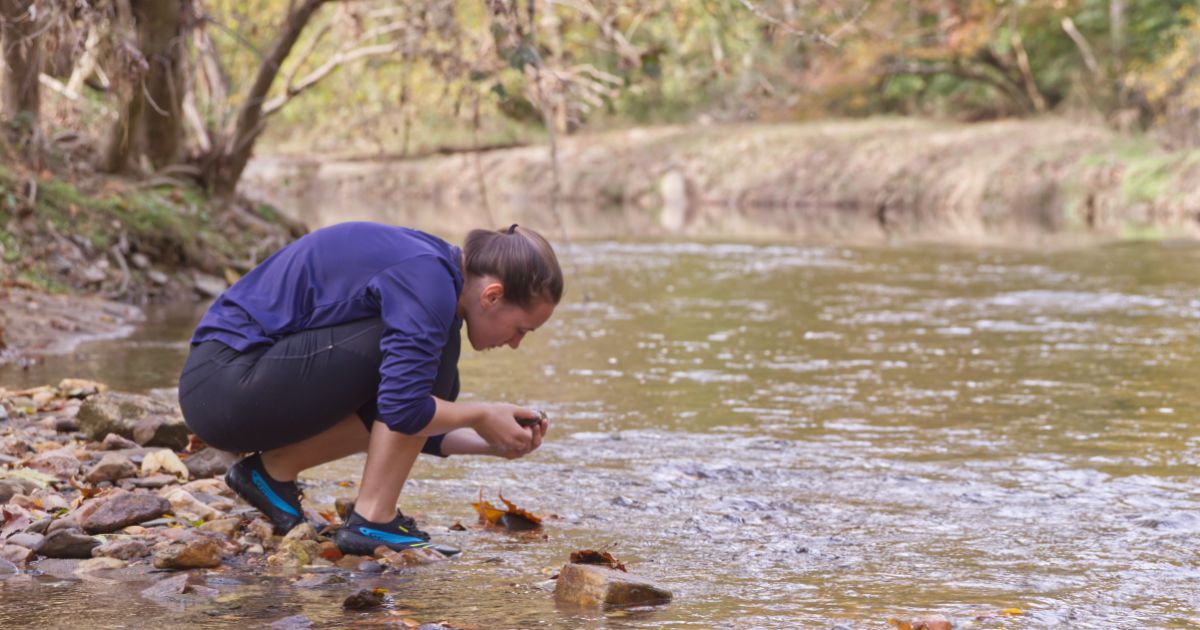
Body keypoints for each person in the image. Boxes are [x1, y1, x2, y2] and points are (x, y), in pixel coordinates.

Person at [177, 222, 562, 557]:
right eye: (521, 329)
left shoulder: (436, 274)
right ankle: (374, 519)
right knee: (428, 361)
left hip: (230, 391)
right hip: (225, 384)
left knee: (430, 374)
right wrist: (481, 414)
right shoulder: (428, 280)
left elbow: (398, 426)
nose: (515, 343)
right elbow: (403, 411)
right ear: (492, 295)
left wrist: (493, 443)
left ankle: (271, 473)